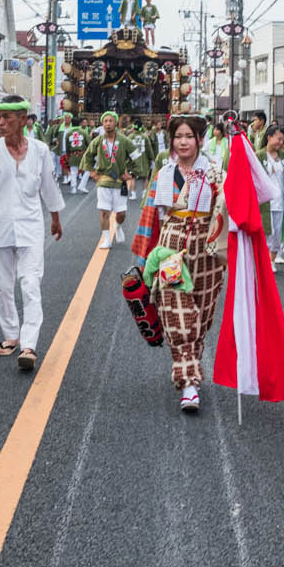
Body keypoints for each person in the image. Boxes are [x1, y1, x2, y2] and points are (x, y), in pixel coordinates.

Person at [0, 96, 65, 371]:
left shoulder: (40, 150)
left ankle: (29, 344)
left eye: (8, 117)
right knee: (5, 287)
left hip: (31, 226)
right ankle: (11, 335)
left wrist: (55, 218)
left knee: (30, 283)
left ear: (23, 119)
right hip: (0, 227)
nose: (1, 122)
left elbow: (48, 186)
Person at [142, 114, 226, 412]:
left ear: (200, 140)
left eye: (189, 136)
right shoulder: (165, 172)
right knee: (176, 313)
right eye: (178, 136)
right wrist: (145, 257)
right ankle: (189, 381)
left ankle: (188, 363)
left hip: (207, 247)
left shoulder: (215, 173)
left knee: (200, 316)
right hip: (171, 246)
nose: (183, 141)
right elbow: (154, 217)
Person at [80, 111, 136, 248]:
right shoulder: (97, 141)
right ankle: (106, 239)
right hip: (103, 180)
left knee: (121, 213)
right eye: (105, 121)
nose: (108, 124)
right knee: (104, 211)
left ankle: (117, 226)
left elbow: (137, 158)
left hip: (119, 182)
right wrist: (93, 173)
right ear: (102, 124)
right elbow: (86, 157)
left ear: (116, 123)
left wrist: (131, 173)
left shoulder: (124, 141)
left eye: (111, 121)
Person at [260, 126, 284, 262]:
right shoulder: (259, 155)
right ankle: (265, 262)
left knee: (277, 234)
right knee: (266, 232)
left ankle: (271, 260)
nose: (280, 142)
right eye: (278, 139)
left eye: (282, 140)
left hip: (280, 202)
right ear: (269, 138)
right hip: (264, 203)